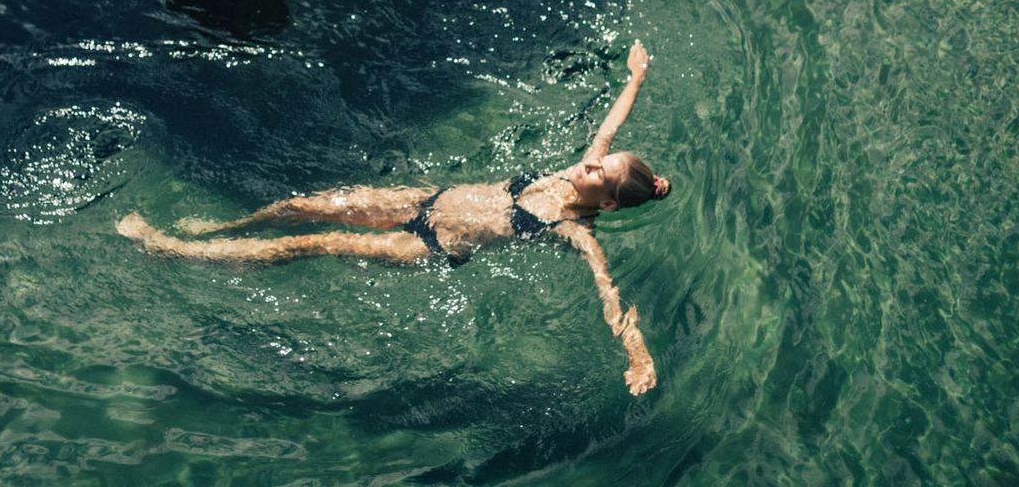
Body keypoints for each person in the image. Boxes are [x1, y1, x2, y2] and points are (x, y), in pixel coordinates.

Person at [118, 41, 671, 395]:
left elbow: (608, 293)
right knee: (298, 206)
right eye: (597, 160)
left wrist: (637, 355)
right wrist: (636, 77)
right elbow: (610, 125)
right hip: (421, 199)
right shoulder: (573, 173)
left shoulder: (574, 228)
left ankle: (174, 248)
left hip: (430, 245)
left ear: (607, 204)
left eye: (599, 171)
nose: (591, 162)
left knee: (311, 243)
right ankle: (222, 230)